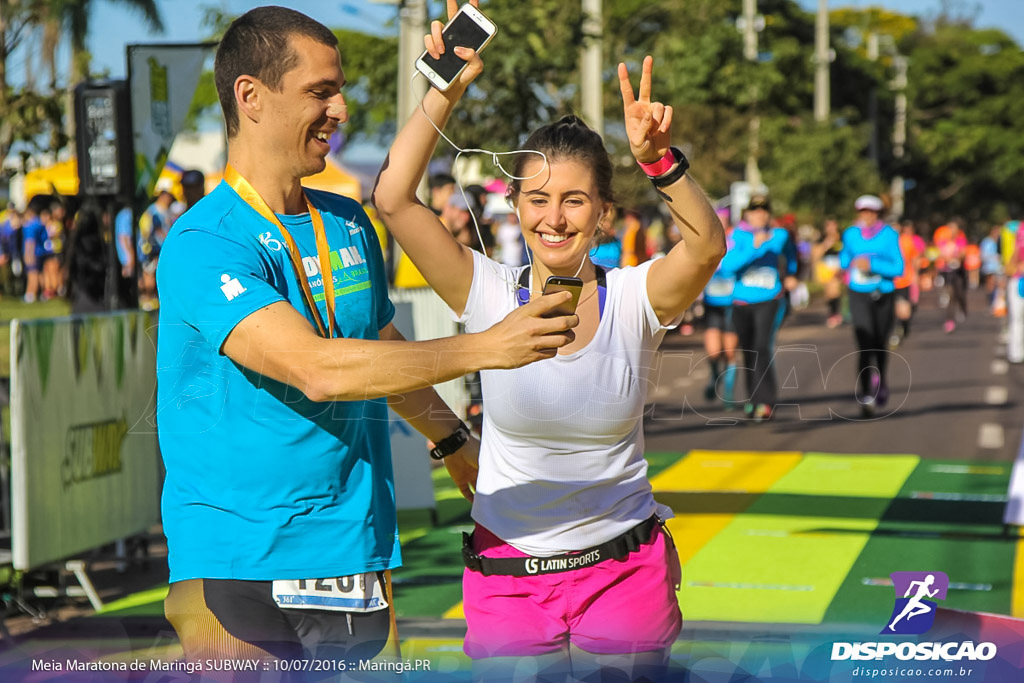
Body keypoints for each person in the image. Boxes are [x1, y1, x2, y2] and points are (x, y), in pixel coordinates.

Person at [156, 6, 577, 668]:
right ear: (251, 96)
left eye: (339, 89)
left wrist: (455, 441)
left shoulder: (348, 220)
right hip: (239, 559)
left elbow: (376, 343)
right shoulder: (205, 241)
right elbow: (316, 367)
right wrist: (490, 345)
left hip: (353, 551)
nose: (342, 109)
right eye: (321, 92)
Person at [374, 6, 725, 675]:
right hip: (507, 573)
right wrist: (444, 88)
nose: (554, 217)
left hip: (624, 569)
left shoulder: (633, 298)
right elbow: (394, 198)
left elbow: (706, 246)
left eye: (574, 200)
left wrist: (658, 161)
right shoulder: (485, 290)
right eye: (537, 199)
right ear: (513, 204)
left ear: (603, 213)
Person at [722, 194, 798, 422]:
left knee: (762, 346)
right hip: (741, 302)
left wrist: (791, 275)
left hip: (770, 299)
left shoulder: (780, 235)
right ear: (747, 214)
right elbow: (727, 266)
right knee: (748, 351)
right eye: (755, 211)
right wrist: (755, 248)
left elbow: (792, 257)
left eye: (764, 210)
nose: (760, 214)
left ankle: (765, 401)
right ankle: (752, 399)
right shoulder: (737, 236)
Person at [840, 195, 903, 417]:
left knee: (879, 343)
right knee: (864, 342)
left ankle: (881, 379)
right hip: (858, 293)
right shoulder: (850, 233)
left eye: (871, 212)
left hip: (883, 294)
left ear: (878, 214)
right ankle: (866, 393)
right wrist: (847, 263)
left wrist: (873, 264)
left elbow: (899, 268)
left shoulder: (889, 234)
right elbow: (844, 259)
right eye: (863, 212)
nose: (866, 216)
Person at [702, 207, 738, 407]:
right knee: (714, 351)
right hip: (712, 302)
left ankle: (729, 394)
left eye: (723, 219)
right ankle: (714, 377)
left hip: (733, 302)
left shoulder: (737, 239)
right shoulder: (706, 239)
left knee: (731, 351)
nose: (720, 222)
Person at [891, 219, 926, 347]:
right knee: (891, 310)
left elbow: (915, 258)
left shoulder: (906, 240)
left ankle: (904, 327)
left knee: (904, 310)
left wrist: (915, 275)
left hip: (904, 280)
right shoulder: (883, 242)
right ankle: (894, 332)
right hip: (887, 283)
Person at [934, 219, 968, 333]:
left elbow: (963, 253)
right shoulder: (944, 242)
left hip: (958, 272)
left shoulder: (961, 240)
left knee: (960, 293)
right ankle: (949, 320)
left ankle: (963, 308)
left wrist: (957, 259)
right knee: (950, 295)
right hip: (947, 272)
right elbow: (940, 254)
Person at [813, 216, 844, 328]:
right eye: (828, 225)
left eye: (833, 224)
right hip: (826, 267)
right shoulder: (821, 238)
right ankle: (833, 312)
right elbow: (815, 255)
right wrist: (826, 244)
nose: (831, 228)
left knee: (835, 290)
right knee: (829, 293)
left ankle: (835, 313)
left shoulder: (842, 238)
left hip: (838, 267)